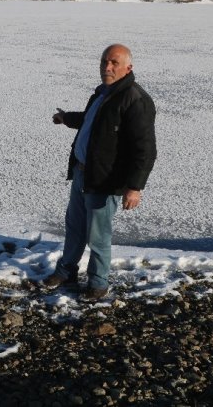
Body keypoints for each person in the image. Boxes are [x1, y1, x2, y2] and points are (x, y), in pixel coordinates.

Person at [44, 44, 156, 301]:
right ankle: (66, 273)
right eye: (105, 61)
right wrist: (66, 118)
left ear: (129, 67)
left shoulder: (136, 100)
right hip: (84, 174)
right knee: (74, 228)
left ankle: (98, 283)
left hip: (106, 180)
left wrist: (135, 187)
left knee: (98, 236)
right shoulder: (102, 93)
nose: (107, 67)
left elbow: (145, 150)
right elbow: (91, 121)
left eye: (114, 62)